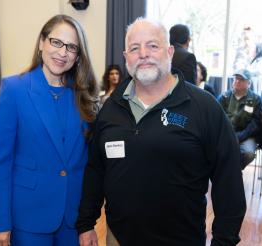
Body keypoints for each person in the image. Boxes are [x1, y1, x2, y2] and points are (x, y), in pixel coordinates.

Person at [76, 18, 246, 245]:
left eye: (152, 46)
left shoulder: (204, 107)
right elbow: (96, 169)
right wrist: (87, 223)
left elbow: (229, 179)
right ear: (126, 57)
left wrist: (224, 241)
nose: (143, 53)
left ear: (169, 52)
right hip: (118, 238)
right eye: (135, 48)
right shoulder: (111, 108)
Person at [0, 14, 98, 246]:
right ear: (41, 43)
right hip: (29, 219)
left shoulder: (84, 96)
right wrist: (0, 223)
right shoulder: (14, 89)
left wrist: (87, 221)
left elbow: (89, 163)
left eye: (71, 47)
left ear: (78, 55)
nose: (62, 52)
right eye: (56, 42)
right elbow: (0, 163)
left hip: (73, 219)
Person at [218, 69, 261, 169]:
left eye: (241, 79)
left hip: (246, 135)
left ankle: (233, 171)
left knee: (249, 153)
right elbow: (216, 117)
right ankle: (230, 172)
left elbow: (255, 123)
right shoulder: (224, 97)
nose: (237, 81)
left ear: (249, 83)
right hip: (226, 133)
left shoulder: (256, 99)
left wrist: (240, 136)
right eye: (236, 78)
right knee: (214, 149)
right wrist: (226, 134)